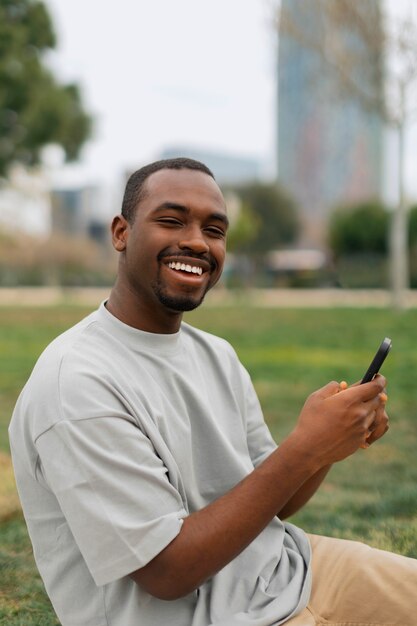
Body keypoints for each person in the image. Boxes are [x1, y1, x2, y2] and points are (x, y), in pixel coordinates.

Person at [8, 158, 417, 626]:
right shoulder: (76, 384)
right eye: (171, 220)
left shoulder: (215, 354)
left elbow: (274, 499)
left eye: (215, 230)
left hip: (288, 571)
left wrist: (329, 444)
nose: (197, 242)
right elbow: (166, 572)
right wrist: (306, 448)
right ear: (121, 233)